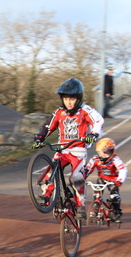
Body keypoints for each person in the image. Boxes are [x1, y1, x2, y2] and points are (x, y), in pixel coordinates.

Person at [33, 77, 104, 219]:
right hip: (62, 150)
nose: (68, 102)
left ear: (78, 98)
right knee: (50, 172)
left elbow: (98, 120)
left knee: (76, 177)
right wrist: (39, 138)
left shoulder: (85, 110)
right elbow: (48, 126)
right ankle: (47, 196)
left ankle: (80, 205)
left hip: (78, 151)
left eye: (72, 99)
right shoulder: (59, 112)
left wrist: (93, 134)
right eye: (65, 99)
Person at [84, 138, 127, 223]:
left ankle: (117, 213)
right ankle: (96, 207)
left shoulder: (115, 159)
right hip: (101, 179)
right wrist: (82, 177)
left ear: (111, 151)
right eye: (100, 153)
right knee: (97, 195)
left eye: (105, 153)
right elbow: (87, 169)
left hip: (113, 181)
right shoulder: (95, 159)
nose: (102, 156)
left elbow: (123, 170)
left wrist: (120, 181)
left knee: (115, 196)